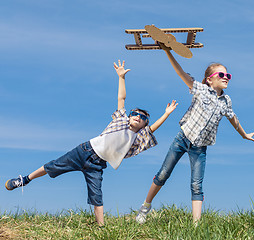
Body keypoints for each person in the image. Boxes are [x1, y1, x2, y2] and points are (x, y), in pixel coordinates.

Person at [5, 59, 178, 226]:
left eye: (142, 118)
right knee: (53, 165)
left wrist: (166, 114)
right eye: (135, 113)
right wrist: (121, 77)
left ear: (144, 125)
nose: (137, 117)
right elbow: (121, 98)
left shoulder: (137, 138)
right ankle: (25, 179)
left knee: (97, 196)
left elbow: (152, 129)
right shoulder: (120, 120)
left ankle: (101, 228)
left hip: (97, 164)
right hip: (85, 151)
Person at [135, 45, 254, 224]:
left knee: (196, 185)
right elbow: (181, 73)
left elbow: (233, 118)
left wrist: (244, 134)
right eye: (221, 75)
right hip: (182, 139)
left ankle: (196, 225)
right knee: (163, 174)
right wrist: (168, 51)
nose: (226, 78)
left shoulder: (226, 100)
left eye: (228, 75)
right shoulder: (200, 89)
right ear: (209, 79)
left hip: (200, 147)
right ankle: (145, 207)